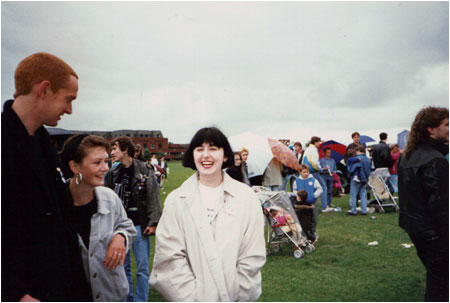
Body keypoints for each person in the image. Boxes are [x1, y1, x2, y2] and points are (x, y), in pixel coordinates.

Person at [1, 52, 85, 301]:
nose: (69, 110)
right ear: (44, 89)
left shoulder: (44, 145)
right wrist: (16, 293)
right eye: (68, 99)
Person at [150, 127, 266, 301]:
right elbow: (169, 257)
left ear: (225, 155)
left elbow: (253, 253)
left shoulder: (246, 197)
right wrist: (192, 297)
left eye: (213, 149)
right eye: (199, 149)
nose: (206, 155)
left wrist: (238, 292)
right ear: (192, 155)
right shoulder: (176, 200)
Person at [60, 135, 137, 301]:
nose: (106, 168)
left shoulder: (110, 198)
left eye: (106, 161)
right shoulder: (53, 206)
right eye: (97, 163)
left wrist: (120, 237)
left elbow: (127, 226)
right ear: (75, 167)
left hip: (111, 296)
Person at [398, 106, 449, 302]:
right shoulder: (435, 160)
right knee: (440, 284)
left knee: (436, 275)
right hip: (433, 230)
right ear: (431, 129)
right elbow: (441, 205)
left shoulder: (408, 156)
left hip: (415, 227)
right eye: (446, 124)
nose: (449, 129)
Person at [105, 136, 162, 302]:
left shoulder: (144, 169)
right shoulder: (112, 172)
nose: (112, 152)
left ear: (125, 150)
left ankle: (140, 300)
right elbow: (107, 198)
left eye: (115, 148)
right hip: (120, 227)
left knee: (142, 268)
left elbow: (153, 197)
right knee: (124, 267)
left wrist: (153, 223)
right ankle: (128, 299)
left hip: (139, 224)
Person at [292, 164, 323, 242]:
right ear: (300, 172)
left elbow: (320, 189)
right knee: (302, 219)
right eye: (304, 172)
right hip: (301, 204)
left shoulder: (313, 180)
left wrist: (314, 195)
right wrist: (297, 195)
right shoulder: (297, 181)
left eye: (307, 172)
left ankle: (312, 232)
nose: (306, 173)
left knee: (313, 218)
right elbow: (294, 190)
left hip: (312, 202)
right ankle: (303, 234)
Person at [302, 136, 329, 212]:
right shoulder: (314, 150)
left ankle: (308, 204)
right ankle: (324, 207)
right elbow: (314, 162)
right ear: (315, 142)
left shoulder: (307, 149)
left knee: (310, 188)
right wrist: (320, 168)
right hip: (313, 171)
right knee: (323, 187)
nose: (319, 144)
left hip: (307, 171)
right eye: (319, 142)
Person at [346, 145, 371, 216]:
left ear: (359, 150)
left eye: (356, 151)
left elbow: (351, 169)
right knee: (363, 195)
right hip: (365, 179)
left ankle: (353, 211)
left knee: (353, 195)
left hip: (357, 178)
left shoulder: (357, 158)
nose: (355, 153)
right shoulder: (367, 159)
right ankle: (364, 210)